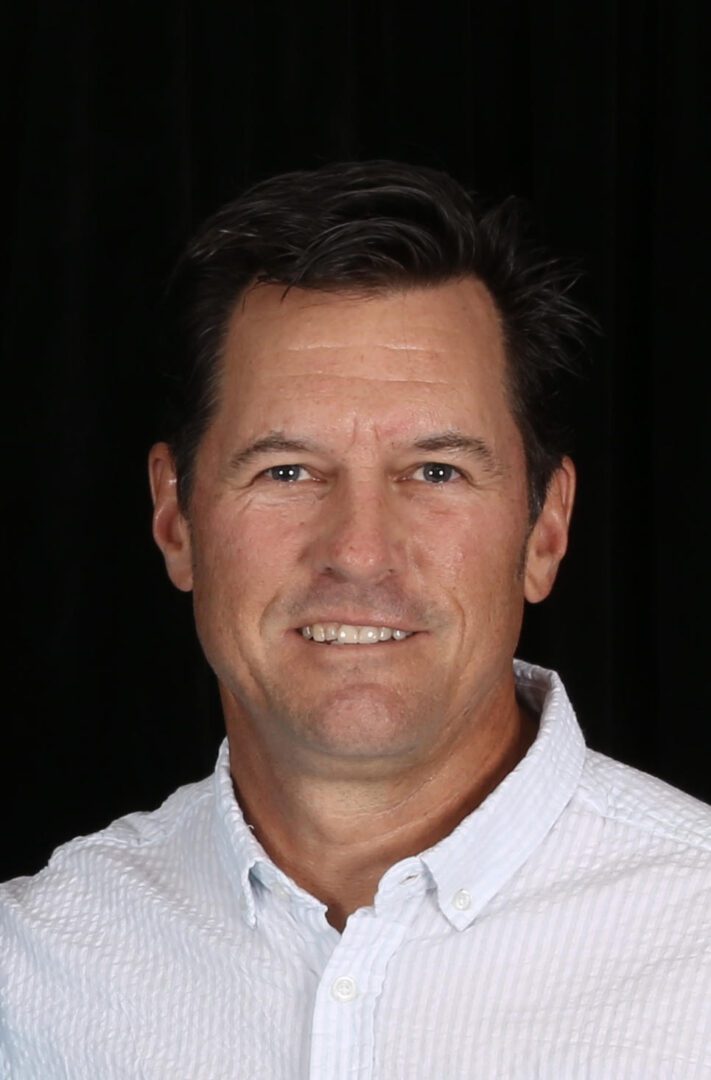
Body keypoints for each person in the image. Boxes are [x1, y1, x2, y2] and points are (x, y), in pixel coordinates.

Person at [1, 161, 709, 1079]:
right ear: (175, 519)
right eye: (287, 471)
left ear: (545, 529)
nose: (361, 551)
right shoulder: (30, 973)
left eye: (437, 472)